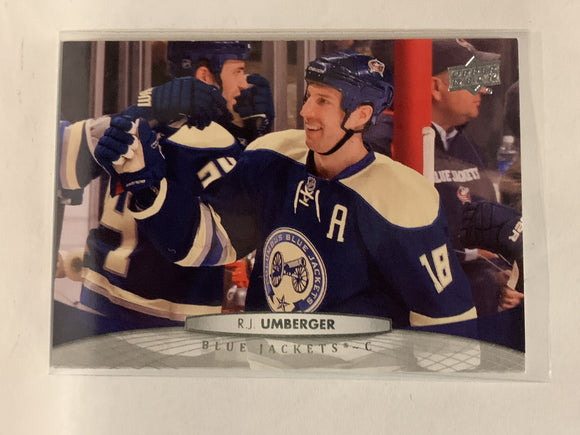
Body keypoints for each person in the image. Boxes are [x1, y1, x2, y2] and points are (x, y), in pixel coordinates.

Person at [95, 50, 476, 328]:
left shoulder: (401, 199)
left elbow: (448, 325)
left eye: (323, 101)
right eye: (309, 95)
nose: (305, 111)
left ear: (361, 115)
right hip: (268, 370)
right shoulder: (273, 156)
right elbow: (203, 242)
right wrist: (148, 187)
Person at [56, 41, 274, 335]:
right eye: (238, 71)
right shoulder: (213, 143)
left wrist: (143, 106)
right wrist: (255, 143)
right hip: (166, 318)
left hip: (99, 301)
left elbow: (65, 155)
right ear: (205, 76)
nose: (245, 82)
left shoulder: (139, 127)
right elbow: (241, 223)